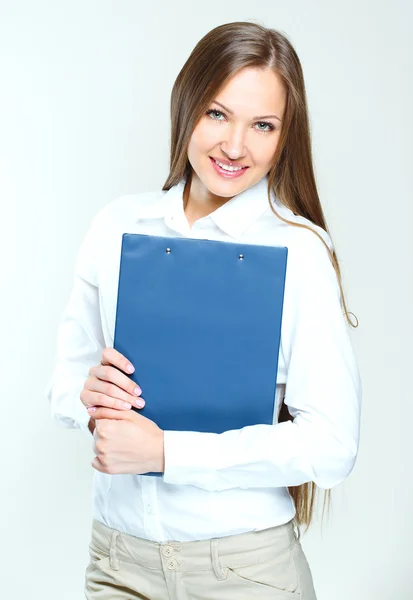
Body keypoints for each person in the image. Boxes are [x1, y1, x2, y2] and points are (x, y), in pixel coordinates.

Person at [46, 21, 362, 600]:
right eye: (218, 114)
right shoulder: (118, 225)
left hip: (245, 572)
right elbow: (66, 381)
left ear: (284, 136)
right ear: (186, 105)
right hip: (119, 562)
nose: (235, 146)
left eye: (262, 125)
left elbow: (332, 445)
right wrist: (89, 400)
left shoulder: (299, 250)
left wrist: (166, 453)